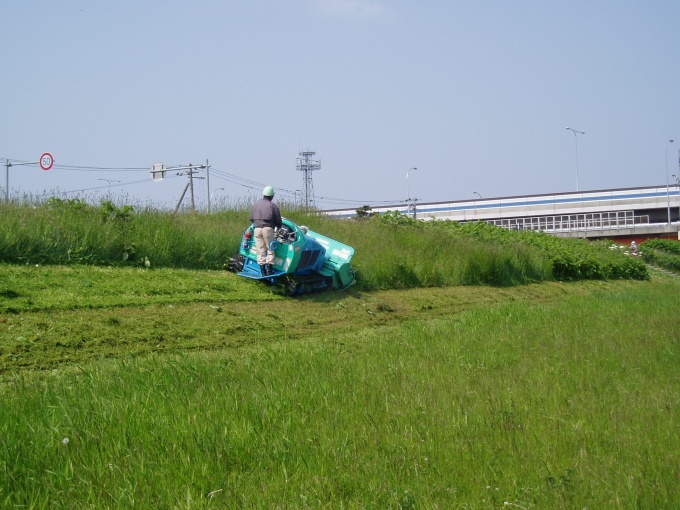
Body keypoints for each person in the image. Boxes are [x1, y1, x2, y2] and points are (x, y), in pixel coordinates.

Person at [249, 185, 282, 275]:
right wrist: (279, 226)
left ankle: (262, 271)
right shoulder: (273, 206)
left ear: (263, 195)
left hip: (257, 229)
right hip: (267, 228)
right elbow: (278, 220)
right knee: (270, 248)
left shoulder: (255, 205)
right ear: (271, 196)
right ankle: (269, 270)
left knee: (260, 250)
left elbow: (251, 218)